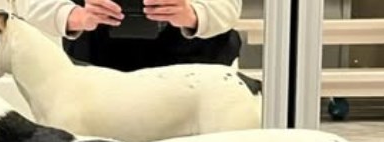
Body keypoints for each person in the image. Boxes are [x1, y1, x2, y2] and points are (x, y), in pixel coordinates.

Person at [25, 0, 243, 71]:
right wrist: (74, 15)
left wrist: (193, 14)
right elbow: (32, 4)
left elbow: (229, 5)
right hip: (97, 75)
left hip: (195, 73)